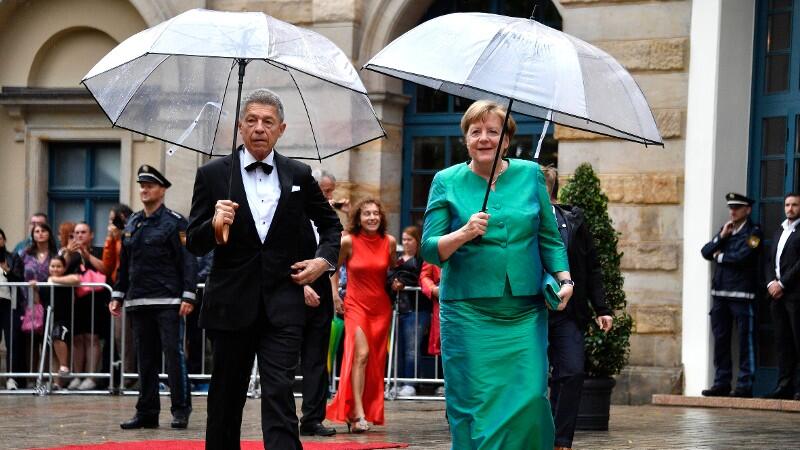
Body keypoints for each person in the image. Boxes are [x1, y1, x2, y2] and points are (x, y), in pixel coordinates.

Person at [186, 88, 342, 450]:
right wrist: (213, 223)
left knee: (279, 393)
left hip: (283, 303)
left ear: (281, 129)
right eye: (252, 120)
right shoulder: (212, 175)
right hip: (230, 305)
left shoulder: (299, 174)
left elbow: (332, 226)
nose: (259, 128)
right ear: (240, 127)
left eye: (268, 122)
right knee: (225, 397)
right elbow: (193, 241)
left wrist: (323, 261)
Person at [420, 100, 572, 450]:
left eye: (493, 131)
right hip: (468, 311)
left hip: (523, 310)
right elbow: (430, 247)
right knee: (477, 403)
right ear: (465, 139)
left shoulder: (530, 174)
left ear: (507, 140)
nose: (484, 138)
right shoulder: (446, 181)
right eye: (476, 131)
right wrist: (463, 233)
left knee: (531, 397)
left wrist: (565, 279)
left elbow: (548, 236)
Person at [110, 165, 197, 429]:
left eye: (149, 185)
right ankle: (147, 411)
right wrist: (118, 293)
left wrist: (188, 294)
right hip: (138, 300)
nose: (144, 190)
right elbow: (125, 263)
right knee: (144, 359)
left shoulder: (175, 222)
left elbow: (188, 260)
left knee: (173, 355)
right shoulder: (133, 223)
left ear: (162, 190)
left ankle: (180, 410)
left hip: (168, 301)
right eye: (142, 185)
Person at [541, 166, 613, 450]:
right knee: (532, 381)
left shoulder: (573, 220)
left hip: (567, 310)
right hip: (528, 311)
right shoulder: (518, 219)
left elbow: (591, 266)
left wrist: (602, 308)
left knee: (571, 372)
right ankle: (536, 436)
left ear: (551, 190)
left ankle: (560, 441)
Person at [326, 199, 396, 432]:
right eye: (367, 213)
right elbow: (333, 269)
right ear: (359, 218)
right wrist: (335, 295)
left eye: (376, 213)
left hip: (381, 308)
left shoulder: (389, 242)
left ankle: (357, 410)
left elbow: (396, 269)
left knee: (374, 362)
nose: (372, 217)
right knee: (361, 355)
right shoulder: (348, 241)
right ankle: (357, 412)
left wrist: (400, 281)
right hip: (356, 305)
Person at [700, 192, 762, 398]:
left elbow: (742, 258)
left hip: (742, 295)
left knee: (745, 342)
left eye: (737, 207)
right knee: (721, 341)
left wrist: (720, 256)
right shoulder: (726, 231)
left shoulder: (754, 233)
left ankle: (744, 385)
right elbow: (706, 251)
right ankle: (722, 383)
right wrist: (721, 237)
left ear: (747, 210)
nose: (732, 211)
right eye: (731, 208)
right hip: (720, 295)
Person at [298, 219, 337, 437]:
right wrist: (300, 287)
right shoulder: (287, 211)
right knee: (282, 364)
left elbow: (332, 257)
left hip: (321, 302)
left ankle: (312, 419)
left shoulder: (328, 222)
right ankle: (282, 418)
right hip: (289, 297)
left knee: (317, 363)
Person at [764, 192, 800, 400]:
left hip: (795, 295)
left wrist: (783, 283)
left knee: (797, 340)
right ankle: (783, 386)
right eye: (787, 204)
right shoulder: (779, 231)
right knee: (782, 341)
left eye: (794, 205)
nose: (790, 209)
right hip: (776, 296)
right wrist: (770, 283)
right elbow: (770, 261)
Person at [64, 222, 108, 391]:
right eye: (76, 232)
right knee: (77, 339)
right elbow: (58, 270)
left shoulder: (99, 251)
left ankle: (91, 376)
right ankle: (77, 375)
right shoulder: (69, 252)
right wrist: (68, 252)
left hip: (95, 301)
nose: (80, 235)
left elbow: (105, 269)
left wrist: (87, 256)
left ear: (91, 235)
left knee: (92, 338)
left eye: (83, 232)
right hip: (75, 302)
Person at [387, 225, 427, 397]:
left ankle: (410, 382)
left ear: (417, 241)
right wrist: (394, 282)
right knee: (398, 348)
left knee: (412, 348)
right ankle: (397, 381)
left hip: (417, 309)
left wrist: (401, 280)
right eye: (403, 240)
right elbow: (388, 275)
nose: (406, 243)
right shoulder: (397, 259)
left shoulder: (421, 259)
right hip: (399, 309)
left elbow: (417, 277)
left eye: (409, 239)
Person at [28, 255, 79, 387]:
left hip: (63, 318)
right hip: (48, 319)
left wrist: (54, 279)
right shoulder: (45, 281)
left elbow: (76, 279)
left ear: (64, 268)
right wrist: (35, 289)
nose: (55, 269)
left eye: (58, 266)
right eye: (52, 266)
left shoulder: (65, 278)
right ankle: (57, 383)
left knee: (58, 337)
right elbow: (38, 301)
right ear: (48, 267)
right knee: (52, 351)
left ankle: (64, 366)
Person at [101, 205, 136, 387]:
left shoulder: (133, 230)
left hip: (138, 288)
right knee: (121, 336)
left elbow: (130, 257)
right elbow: (109, 266)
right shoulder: (115, 239)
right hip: (121, 289)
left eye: (112, 219)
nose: (110, 224)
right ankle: (127, 375)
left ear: (122, 217)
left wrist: (119, 238)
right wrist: (110, 240)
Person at [0, 228, 24, 390]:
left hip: (9, 303)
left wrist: (7, 270)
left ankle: (11, 378)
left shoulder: (13, 257)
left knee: (11, 342)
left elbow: (19, 277)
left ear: (4, 240)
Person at [418, 261, 442, 395]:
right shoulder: (435, 244)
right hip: (441, 304)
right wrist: (432, 288)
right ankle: (443, 382)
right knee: (443, 344)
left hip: (468, 302)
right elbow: (424, 276)